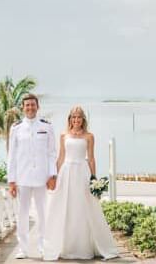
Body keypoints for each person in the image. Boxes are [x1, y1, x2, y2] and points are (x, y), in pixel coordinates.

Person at [43, 106, 119, 261]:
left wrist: (94, 178)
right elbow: (61, 157)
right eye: (73, 117)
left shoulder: (89, 136)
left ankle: (85, 247)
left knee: (83, 207)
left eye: (79, 117)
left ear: (83, 119)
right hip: (67, 173)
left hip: (82, 173)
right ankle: (65, 246)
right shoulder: (63, 135)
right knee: (66, 207)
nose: (76, 120)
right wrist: (55, 177)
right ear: (69, 119)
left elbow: (91, 158)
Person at [7, 94, 57, 259]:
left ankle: (43, 246)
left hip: (42, 178)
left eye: (33, 105)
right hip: (23, 178)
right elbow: (11, 156)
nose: (30, 108)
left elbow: (51, 153)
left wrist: (52, 175)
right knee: (22, 214)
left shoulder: (47, 127)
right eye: (27, 105)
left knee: (43, 213)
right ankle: (23, 248)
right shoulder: (16, 128)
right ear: (23, 107)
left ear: (38, 106)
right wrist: (11, 181)